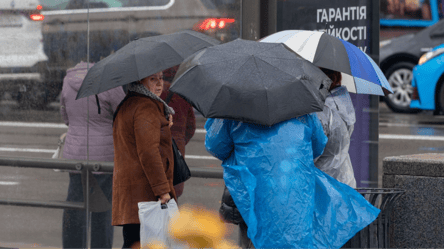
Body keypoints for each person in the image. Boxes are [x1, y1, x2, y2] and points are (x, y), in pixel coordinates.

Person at [205, 114, 380, 248]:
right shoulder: (301, 107)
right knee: (296, 238)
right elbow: (318, 145)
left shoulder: (234, 107)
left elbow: (216, 146)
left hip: (253, 193)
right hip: (295, 195)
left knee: (255, 238)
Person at [60, 61, 125, 248]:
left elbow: (65, 116)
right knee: (102, 210)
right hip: (103, 157)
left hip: (76, 155)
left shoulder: (68, 79)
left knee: (75, 207)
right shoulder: (108, 80)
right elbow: (123, 113)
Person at [112, 71, 176, 249]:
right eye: (152, 79)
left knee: (133, 241)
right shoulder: (145, 107)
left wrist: (162, 123)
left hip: (133, 192)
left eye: (161, 78)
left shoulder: (130, 102)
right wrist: (163, 191)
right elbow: (148, 152)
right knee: (142, 243)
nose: (159, 84)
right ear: (140, 81)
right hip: (145, 193)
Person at [314, 68, 357, 188]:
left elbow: (312, 153)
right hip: (344, 180)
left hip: (324, 185)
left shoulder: (324, 111)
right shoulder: (341, 103)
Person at [160, 65, 196, 198]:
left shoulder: (155, 92)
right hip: (177, 145)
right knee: (174, 192)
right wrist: (180, 140)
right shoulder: (183, 94)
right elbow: (191, 127)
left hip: (156, 143)